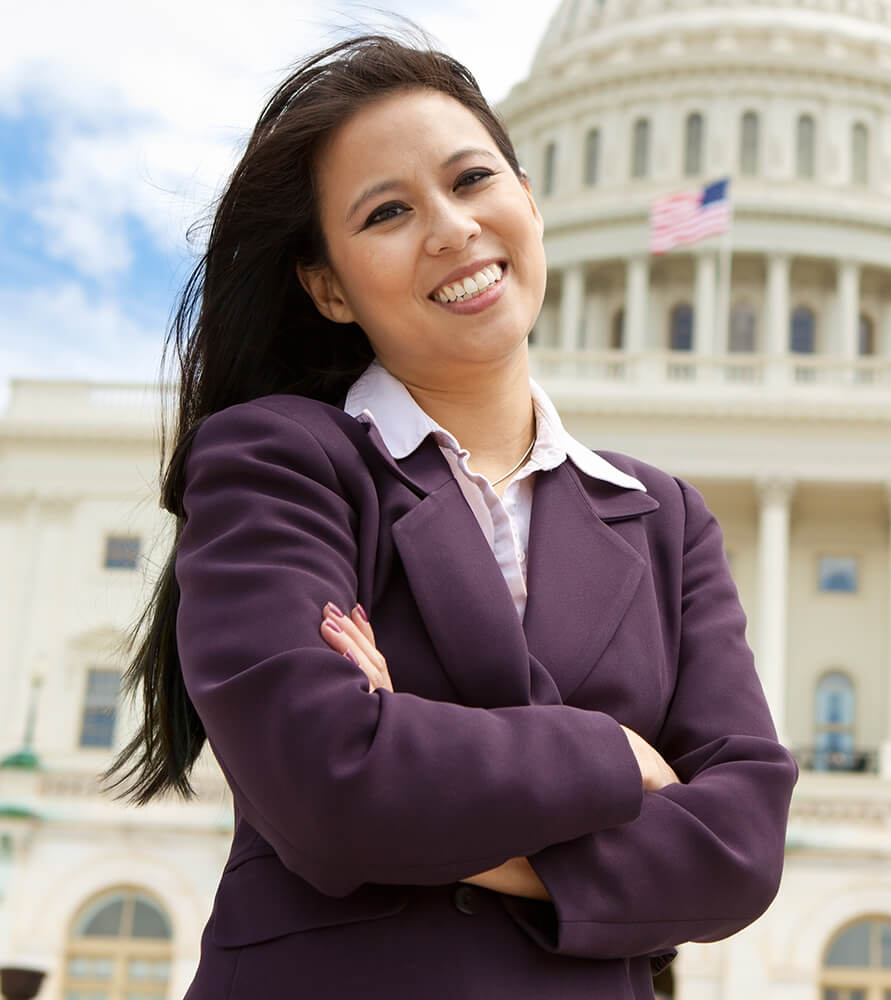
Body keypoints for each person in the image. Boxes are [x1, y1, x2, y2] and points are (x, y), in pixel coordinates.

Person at [106, 32, 797, 1000]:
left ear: (530, 199)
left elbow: (739, 848)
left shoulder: (663, 518)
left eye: (472, 179)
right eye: (388, 211)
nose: (451, 228)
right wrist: (616, 753)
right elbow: (326, 782)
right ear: (327, 285)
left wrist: (415, 762)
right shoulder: (279, 458)